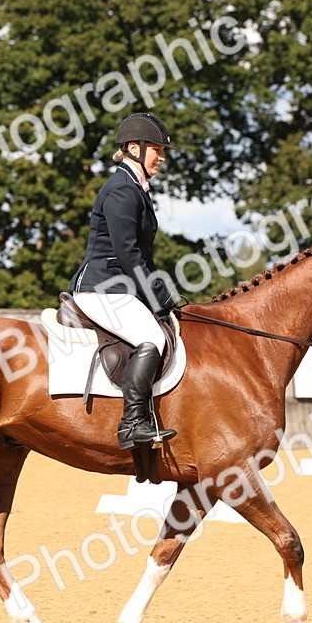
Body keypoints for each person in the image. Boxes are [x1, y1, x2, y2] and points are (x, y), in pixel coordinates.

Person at [69, 112, 181, 450]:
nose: (161, 157)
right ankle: (132, 423)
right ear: (134, 147)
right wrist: (160, 297)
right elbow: (130, 255)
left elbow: (143, 257)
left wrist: (165, 295)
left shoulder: (136, 188)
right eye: (156, 149)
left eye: (162, 151)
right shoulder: (121, 189)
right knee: (151, 337)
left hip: (120, 286)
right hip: (101, 286)